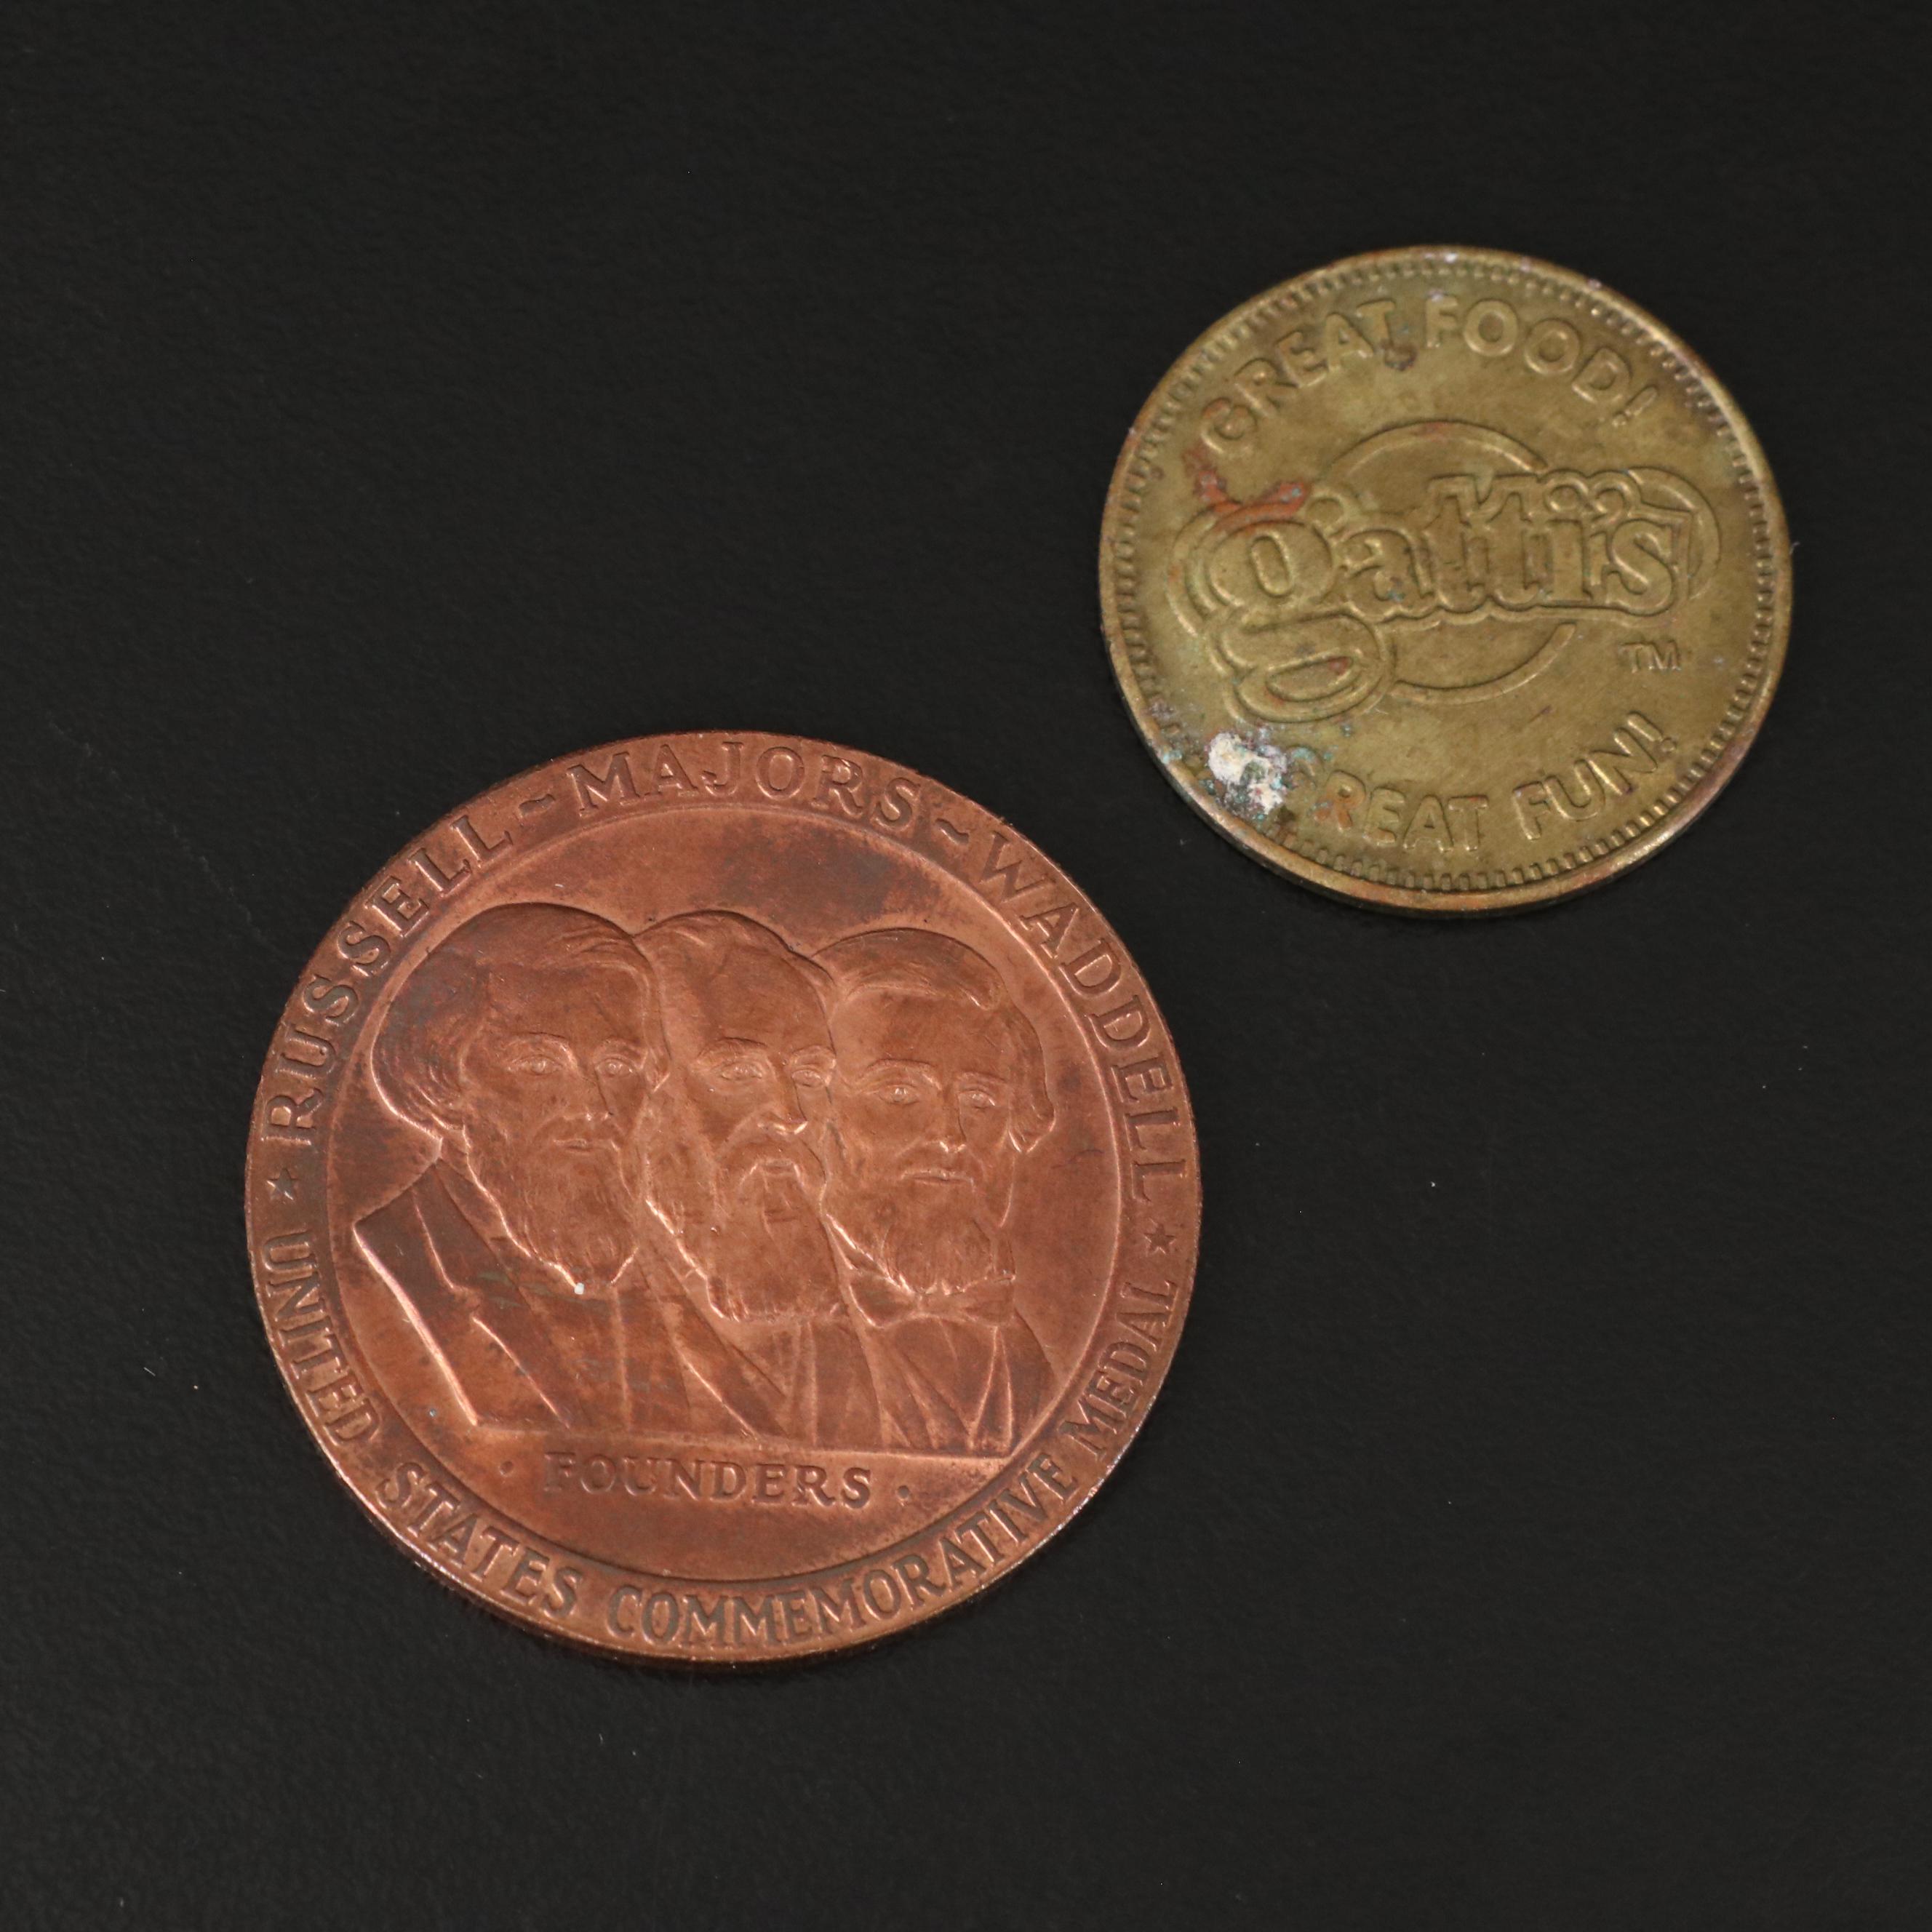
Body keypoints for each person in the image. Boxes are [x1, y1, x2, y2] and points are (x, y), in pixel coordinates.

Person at [356, 902, 781, 1437]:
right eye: (539, 1064)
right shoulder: (403, 1254)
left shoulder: (678, 1280)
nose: (592, 1105)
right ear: (442, 1081)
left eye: (617, 1066)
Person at [631, 911, 881, 1446]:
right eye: (738, 1074)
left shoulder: (831, 1312)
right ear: (648, 1089)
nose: (790, 1113)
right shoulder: (595, 1298)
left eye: (809, 1076)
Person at [813, 927, 1056, 1454]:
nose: (949, 1135)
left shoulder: (1030, 1363)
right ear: (819, 1113)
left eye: (981, 1100)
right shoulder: (773, 1324)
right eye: (900, 1093)